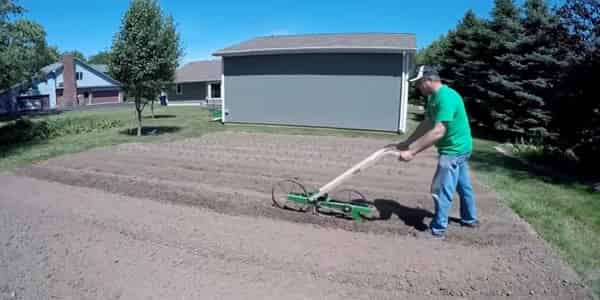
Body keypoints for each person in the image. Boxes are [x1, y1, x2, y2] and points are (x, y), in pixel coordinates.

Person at [389, 65, 479, 238]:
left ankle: (437, 230)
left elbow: (438, 131)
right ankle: (469, 219)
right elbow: (427, 123)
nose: (417, 88)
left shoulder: (446, 98)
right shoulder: (433, 98)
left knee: (440, 189)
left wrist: (412, 152)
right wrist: (408, 143)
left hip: (454, 150)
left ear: (428, 80)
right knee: (463, 185)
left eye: (419, 83)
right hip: (460, 147)